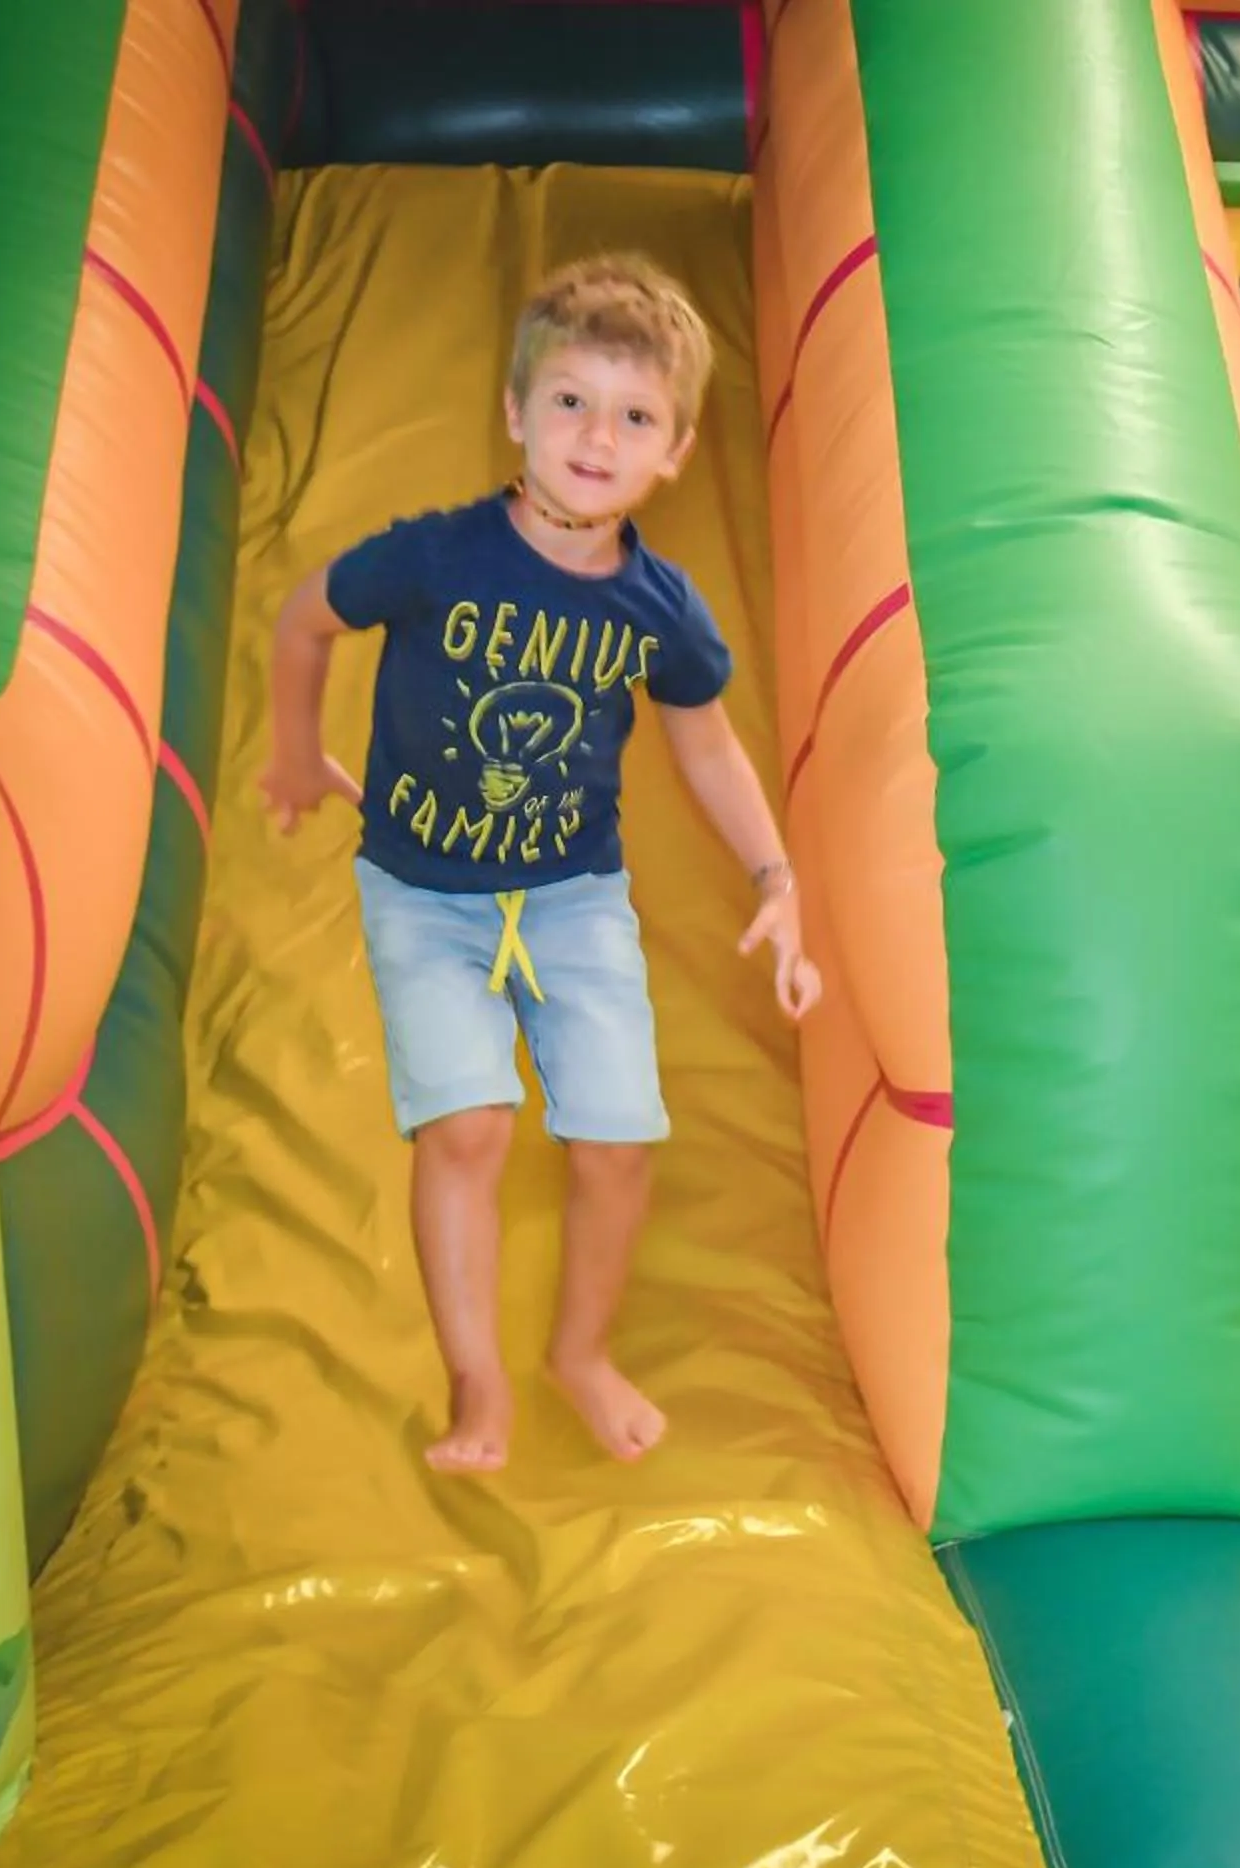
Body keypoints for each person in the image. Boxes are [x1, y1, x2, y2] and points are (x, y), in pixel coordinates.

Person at [258, 251, 820, 1475]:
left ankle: (581, 1351)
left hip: (571, 894)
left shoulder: (659, 609)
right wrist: (295, 748)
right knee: (468, 1128)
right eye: (570, 400)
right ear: (515, 412)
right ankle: (477, 1386)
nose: (596, 435)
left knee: (617, 1141)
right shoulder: (437, 558)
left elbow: (707, 742)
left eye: (635, 416)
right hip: (422, 890)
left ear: (672, 452)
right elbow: (304, 616)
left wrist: (777, 878)